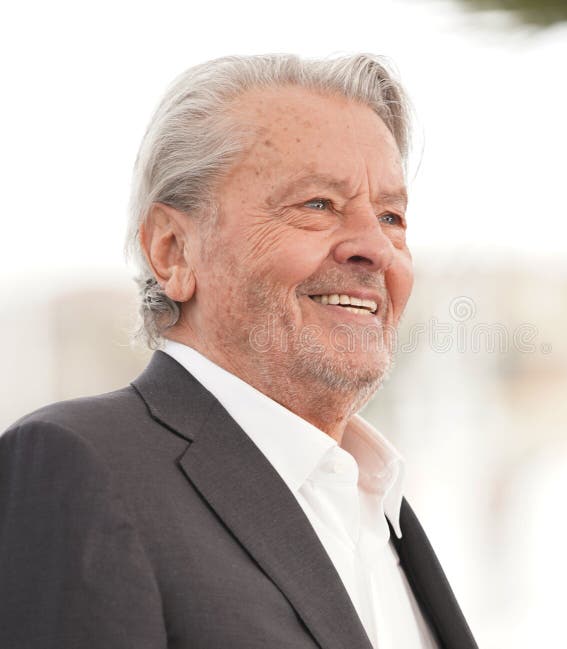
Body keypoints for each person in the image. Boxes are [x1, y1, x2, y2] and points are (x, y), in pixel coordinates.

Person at [0, 54, 478, 649]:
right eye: (317, 205)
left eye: (391, 215)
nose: (374, 248)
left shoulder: (378, 504)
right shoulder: (81, 464)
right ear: (173, 250)